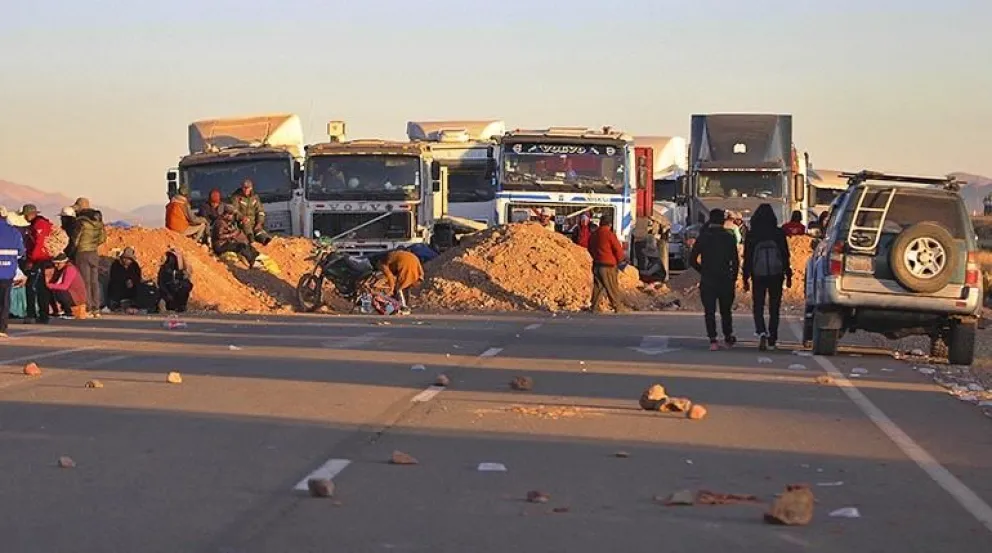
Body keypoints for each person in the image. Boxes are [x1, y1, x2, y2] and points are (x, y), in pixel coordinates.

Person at [742, 203, 793, 351]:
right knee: (774, 307)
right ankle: (773, 337)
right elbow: (785, 254)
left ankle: (761, 332)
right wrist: (788, 274)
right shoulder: (778, 233)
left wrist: (746, 278)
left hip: (758, 274)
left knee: (758, 305)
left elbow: (748, 257)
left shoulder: (752, 235)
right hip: (777, 274)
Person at [690, 208, 739, 350]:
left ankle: (713, 340)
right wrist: (733, 277)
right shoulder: (729, 237)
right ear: (723, 221)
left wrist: (703, 270)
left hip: (708, 279)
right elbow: (735, 261)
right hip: (725, 278)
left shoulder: (703, 237)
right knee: (726, 310)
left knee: (709, 311)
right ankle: (728, 337)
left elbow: (692, 259)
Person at [20, 204, 54, 324]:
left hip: (39, 260)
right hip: (42, 260)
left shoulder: (39, 225)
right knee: (40, 287)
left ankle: (33, 314)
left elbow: (39, 244)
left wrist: (31, 260)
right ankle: (43, 315)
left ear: (30, 214)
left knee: (32, 287)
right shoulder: (39, 224)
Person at [71, 197, 106, 317]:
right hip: (94, 253)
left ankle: (88, 307)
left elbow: (76, 240)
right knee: (94, 281)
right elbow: (102, 238)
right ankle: (97, 308)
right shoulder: (98, 221)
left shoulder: (81, 221)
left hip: (82, 253)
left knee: (85, 281)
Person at [587, 212, 628, 313]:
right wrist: (621, 261)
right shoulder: (609, 234)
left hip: (596, 264)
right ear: (609, 224)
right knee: (612, 287)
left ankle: (594, 307)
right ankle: (618, 307)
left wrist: (595, 257)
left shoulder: (594, 234)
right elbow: (617, 249)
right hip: (608, 265)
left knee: (598, 287)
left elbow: (590, 248)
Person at [0, 206, 26, 337]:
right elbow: (21, 252)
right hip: (7, 271)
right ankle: (2, 328)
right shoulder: (14, 232)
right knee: (4, 300)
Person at [377, 249, 424, 315]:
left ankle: (404, 308)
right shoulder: (392, 256)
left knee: (400, 288)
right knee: (406, 286)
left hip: (406, 264)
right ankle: (405, 305)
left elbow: (390, 277)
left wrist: (392, 288)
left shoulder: (383, 264)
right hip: (414, 261)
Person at [231, 178, 272, 246]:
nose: (246, 190)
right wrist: (242, 217)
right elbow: (234, 210)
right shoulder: (236, 197)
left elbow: (260, 211)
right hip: (242, 222)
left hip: (254, 221)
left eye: (248, 188)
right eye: (244, 188)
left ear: (251, 188)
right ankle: (251, 240)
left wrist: (259, 222)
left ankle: (264, 240)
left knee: (259, 232)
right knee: (247, 226)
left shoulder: (255, 197)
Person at [47, 253, 88, 319]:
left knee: (59, 291)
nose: (56, 265)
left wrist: (49, 285)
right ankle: (56, 311)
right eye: (55, 263)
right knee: (49, 290)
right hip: (70, 294)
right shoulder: (59, 270)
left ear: (64, 262)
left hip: (77, 296)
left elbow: (65, 286)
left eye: (58, 263)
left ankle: (69, 313)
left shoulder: (70, 269)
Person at [157, 248, 193, 313]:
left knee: (185, 286)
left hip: (177, 292)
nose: (171, 259)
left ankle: (181, 306)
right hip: (166, 291)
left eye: (173, 257)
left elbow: (188, 284)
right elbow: (160, 282)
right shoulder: (164, 268)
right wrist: (167, 293)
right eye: (170, 257)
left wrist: (180, 283)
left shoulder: (181, 271)